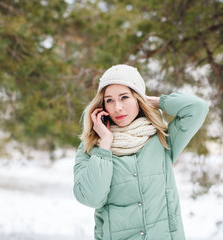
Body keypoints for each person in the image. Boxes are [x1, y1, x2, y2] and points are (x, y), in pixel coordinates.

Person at [73, 64, 209, 240]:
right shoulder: (92, 148)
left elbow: (197, 108)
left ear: (138, 98)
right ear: (102, 105)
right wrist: (105, 144)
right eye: (110, 100)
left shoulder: (161, 138)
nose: (118, 107)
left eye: (124, 97)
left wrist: (158, 101)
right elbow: (91, 198)